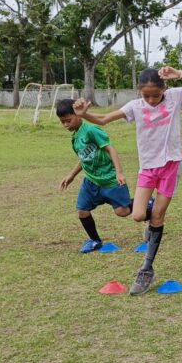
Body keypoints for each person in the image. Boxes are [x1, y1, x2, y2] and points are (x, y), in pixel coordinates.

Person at [73, 66, 182, 294]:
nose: (152, 100)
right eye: (146, 96)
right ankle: (151, 214)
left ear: (165, 89)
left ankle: (147, 268)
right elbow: (104, 119)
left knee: (158, 216)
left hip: (170, 165)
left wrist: (181, 76)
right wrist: (83, 114)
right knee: (137, 215)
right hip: (147, 168)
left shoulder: (174, 96)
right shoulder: (135, 106)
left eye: (156, 95)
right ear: (139, 92)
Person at [56, 98, 133, 253]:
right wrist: (71, 175)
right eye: (62, 122)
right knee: (82, 211)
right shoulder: (75, 136)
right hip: (91, 181)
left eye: (68, 120)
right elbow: (84, 158)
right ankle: (95, 240)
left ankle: (145, 203)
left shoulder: (91, 130)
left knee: (122, 212)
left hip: (110, 179)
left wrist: (119, 172)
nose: (66, 125)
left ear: (78, 115)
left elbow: (110, 149)